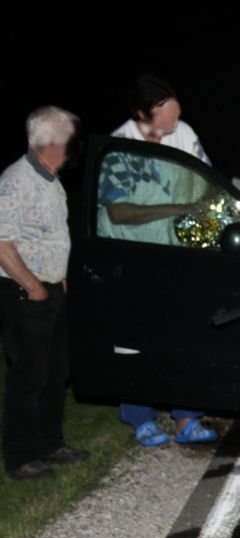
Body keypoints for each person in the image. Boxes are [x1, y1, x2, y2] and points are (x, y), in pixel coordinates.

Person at [101, 75, 218, 447]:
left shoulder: (184, 134)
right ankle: (141, 420)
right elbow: (118, 211)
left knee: (182, 337)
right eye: (167, 115)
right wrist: (179, 208)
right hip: (130, 256)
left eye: (177, 113)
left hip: (176, 254)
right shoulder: (118, 148)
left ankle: (186, 418)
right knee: (134, 343)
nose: (175, 123)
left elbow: (207, 180)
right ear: (142, 113)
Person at [0, 106, 90, 480]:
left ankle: (50, 443)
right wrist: (33, 286)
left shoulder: (51, 181)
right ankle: (20, 457)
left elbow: (52, 236)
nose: (72, 144)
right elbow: (2, 242)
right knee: (28, 378)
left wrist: (60, 279)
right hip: (25, 293)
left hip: (50, 291)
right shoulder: (16, 181)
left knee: (55, 374)